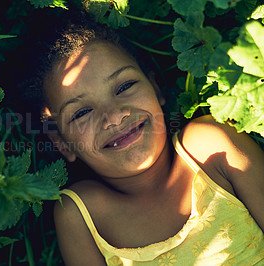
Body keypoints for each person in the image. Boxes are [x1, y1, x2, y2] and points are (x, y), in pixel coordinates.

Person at [23, 13, 264, 265]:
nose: (115, 116)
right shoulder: (83, 215)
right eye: (82, 112)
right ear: (61, 142)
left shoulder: (208, 147)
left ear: (156, 88)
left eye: (124, 87)